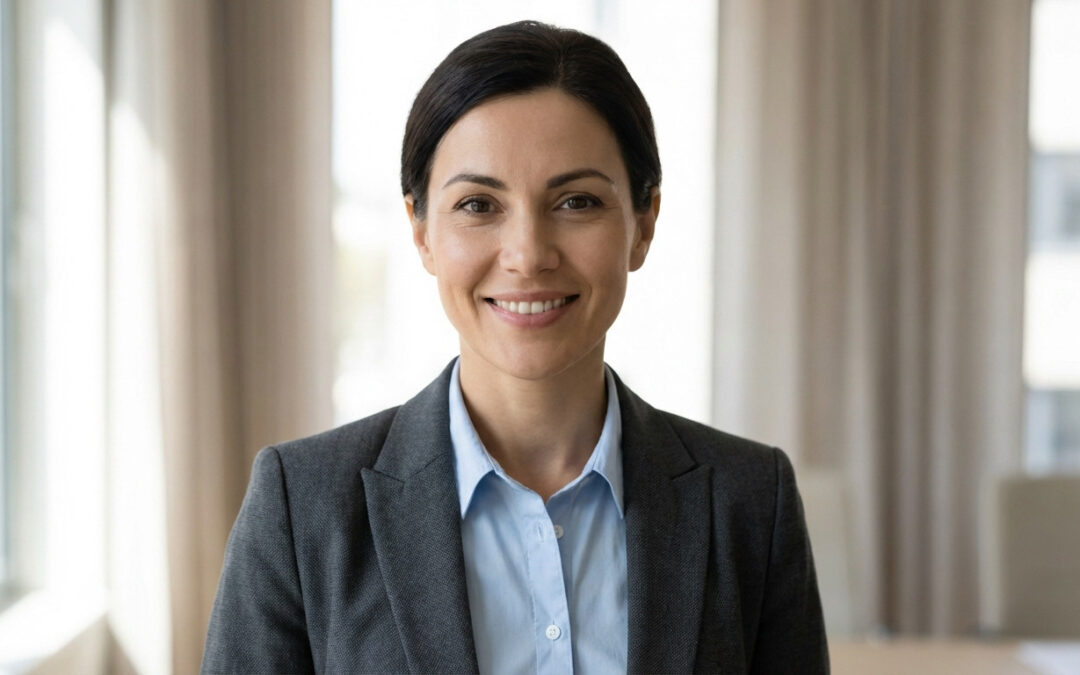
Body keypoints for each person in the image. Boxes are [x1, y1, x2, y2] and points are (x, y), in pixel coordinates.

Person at [202, 20, 828, 675]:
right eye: (478, 204)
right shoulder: (302, 508)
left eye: (577, 200)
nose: (528, 255)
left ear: (644, 224)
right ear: (420, 231)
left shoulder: (750, 502)